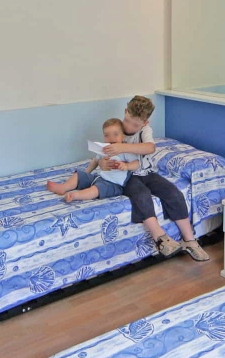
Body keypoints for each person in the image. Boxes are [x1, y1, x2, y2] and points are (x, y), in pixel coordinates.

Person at [100, 95, 209, 262]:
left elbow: (150, 148)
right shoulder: (117, 128)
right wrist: (104, 163)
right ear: (125, 112)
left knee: (174, 193)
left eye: (135, 124)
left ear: (145, 123)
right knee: (142, 195)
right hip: (127, 176)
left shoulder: (145, 131)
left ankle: (189, 240)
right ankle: (161, 239)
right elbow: (102, 156)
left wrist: (122, 146)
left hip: (147, 172)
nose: (129, 126)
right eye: (127, 120)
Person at [46, 118, 139, 203]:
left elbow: (137, 163)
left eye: (115, 134)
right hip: (99, 177)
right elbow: (95, 161)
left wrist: (127, 166)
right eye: (107, 135)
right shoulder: (104, 149)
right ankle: (63, 187)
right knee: (78, 175)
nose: (111, 138)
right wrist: (86, 173)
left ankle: (75, 195)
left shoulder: (124, 151)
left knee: (96, 189)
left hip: (113, 185)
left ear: (123, 137)